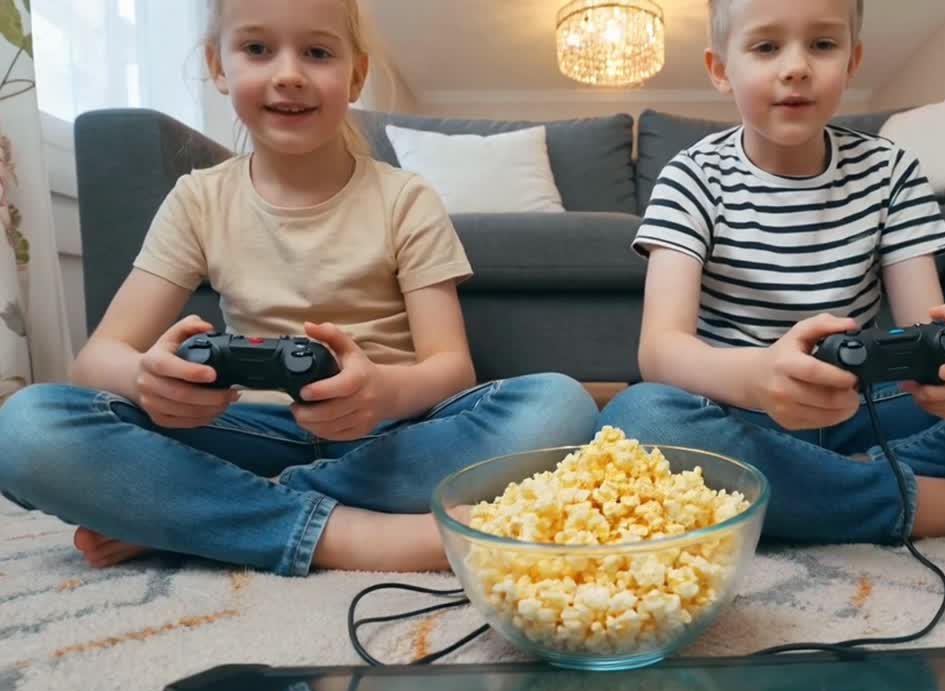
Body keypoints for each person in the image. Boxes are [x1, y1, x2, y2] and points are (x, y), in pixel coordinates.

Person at [0, 0, 598, 576]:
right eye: (257, 49)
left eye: (317, 52)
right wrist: (145, 379)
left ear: (356, 74)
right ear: (218, 65)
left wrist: (384, 394)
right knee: (26, 428)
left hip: (389, 438)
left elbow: (452, 368)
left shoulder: (405, 198)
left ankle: (194, 513)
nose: (288, 76)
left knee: (558, 406)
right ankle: (343, 534)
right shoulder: (197, 200)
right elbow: (95, 361)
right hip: (241, 432)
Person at [598, 0, 945, 546]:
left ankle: (821, 485)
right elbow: (661, 350)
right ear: (721, 69)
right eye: (766, 47)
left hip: (864, 407)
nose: (796, 66)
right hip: (743, 411)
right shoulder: (690, 178)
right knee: (638, 421)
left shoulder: (892, 171)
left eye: (823, 44)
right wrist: (759, 378)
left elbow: (923, 337)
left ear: (853, 61)